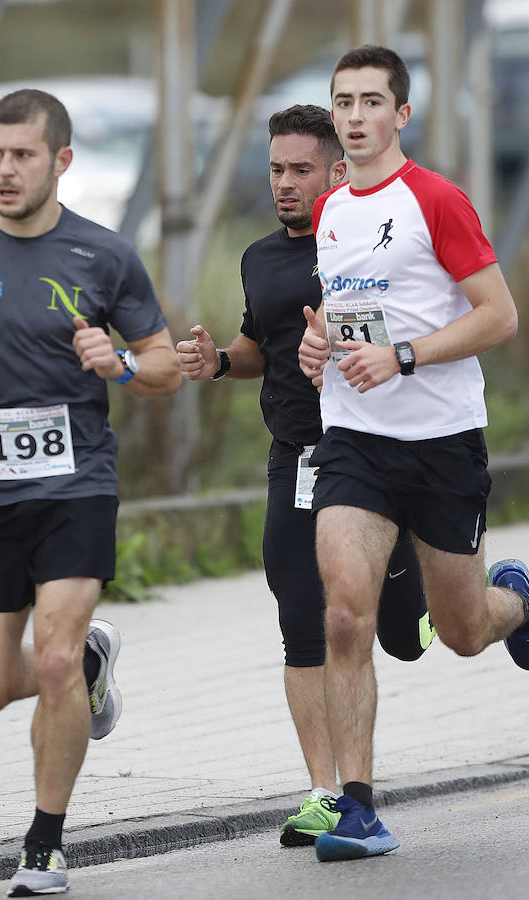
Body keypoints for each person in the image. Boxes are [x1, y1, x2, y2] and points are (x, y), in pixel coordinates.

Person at [0, 88, 179, 897]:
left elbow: (161, 363)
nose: (4, 170)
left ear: (61, 161)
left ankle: (45, 844)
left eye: (22, 155)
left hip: (74, 486)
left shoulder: (105, 256)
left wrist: (119, 365)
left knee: (52, 659)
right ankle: (92, 660)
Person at [296, 46, 529, 862]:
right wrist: (320, 346)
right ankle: (359, 808)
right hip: (355, 441)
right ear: (333, 115)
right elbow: (351, 318)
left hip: (442, 445)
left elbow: (499, 315)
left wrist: (405, 356)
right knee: (343, 614)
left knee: (464, 627)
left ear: (401, 115)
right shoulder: (331, 208)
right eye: (344, 102)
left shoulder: (435, 200)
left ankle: (515, 600)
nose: (357, 115)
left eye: (373, 101)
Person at [175, 104, 435, 848]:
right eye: (275, 171)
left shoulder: (359, 247)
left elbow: (410, 328)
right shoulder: (261, 257)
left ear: (335, 170)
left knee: (407, 641)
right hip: (298, 456)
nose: (284, 185)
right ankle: (326, 791)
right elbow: (262, 338)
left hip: (377, 453)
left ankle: (411, 565)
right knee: (302, 620)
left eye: (299, 171)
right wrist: (220, 360)